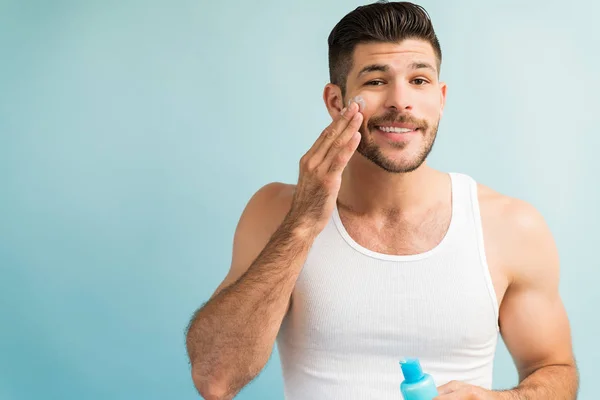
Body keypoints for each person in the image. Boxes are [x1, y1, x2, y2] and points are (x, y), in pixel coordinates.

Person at [185, 2, 579, 399]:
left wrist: (504, 399)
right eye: (375, 81)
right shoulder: (275, 213)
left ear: (440, 98)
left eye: (419, 80)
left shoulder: (509, 226)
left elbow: (555, 369)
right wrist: (302, 224)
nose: (400, 101)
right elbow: (216, 377)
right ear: (337, 103)